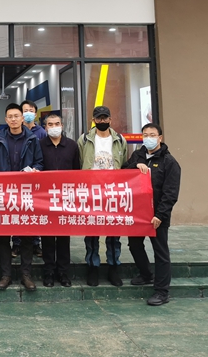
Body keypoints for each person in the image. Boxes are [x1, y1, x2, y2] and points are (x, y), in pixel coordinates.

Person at [122, 123, 181, 306]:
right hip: (137, 213)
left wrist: (160, 215)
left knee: (160, 251)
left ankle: (162, 291)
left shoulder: (169, 162)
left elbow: (170, 193)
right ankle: (146, 274)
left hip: (157, 215)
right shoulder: (138, 155)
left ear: (160, 138)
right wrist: (135, 165)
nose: (148, 138)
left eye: (152, 135)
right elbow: (122, 172)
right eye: (145, 135)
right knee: (134, 245)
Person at [0, 103, 43, 292]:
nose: (13, 119)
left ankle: (26, 275)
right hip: (4, 194)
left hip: (26, 193)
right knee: (4, 237)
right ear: (6, 120)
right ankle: (6, 275)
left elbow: (39, 162)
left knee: (26, 236)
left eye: (16, 116)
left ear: (22, 118)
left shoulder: (32, 139)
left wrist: (35, 170)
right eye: (10, 116)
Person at [79, 105, 128, 287]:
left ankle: (113, 267)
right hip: (91, 192)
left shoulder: (119, 140)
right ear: (93, 120)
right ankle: (93, 267)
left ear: (110, 119)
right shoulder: (84, 139)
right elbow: (80, 162)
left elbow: (124, 163)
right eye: (99, 118)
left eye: (105, 118)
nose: (102, 121)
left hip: (113, 192)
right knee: (92, 231)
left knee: (114, 232)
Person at [39, 112, 80, 288]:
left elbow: (77, 171)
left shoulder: (72, 145)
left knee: (64, 237)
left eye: (57, 124)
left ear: (62, 126)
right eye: (50, 124)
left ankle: (63, 273)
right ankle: (48, 272)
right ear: (45, 127)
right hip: (45, 198)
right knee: (47, 237)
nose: (54, 127)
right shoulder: (39, 145)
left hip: (66, 198)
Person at [16, 100, 45, 258]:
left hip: (34, 180)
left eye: (31, 110)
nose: (28, 113)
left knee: (34, 211)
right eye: (25, 110)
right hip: (17, 180)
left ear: (35, 113)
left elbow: (42, 156)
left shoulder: (41, 133)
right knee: (16, 211)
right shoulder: (16, 131)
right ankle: (17, 244)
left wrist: (37, 169)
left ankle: (35, 243)